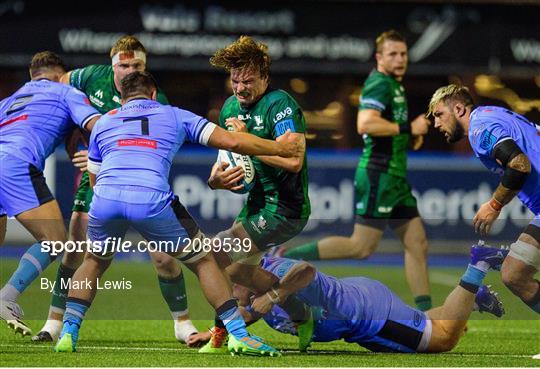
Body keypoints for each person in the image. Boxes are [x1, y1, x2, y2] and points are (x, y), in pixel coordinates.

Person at [53, 70, 301, 355]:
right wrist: (280, 148)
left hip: (105, 199)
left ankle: (68, 333)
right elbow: (232, 142)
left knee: (94, 260)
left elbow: (95, 181)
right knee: (204, 260)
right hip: (151, 200)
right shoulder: (173, 114)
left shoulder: (105, 121)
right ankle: (238, 334)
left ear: (121, 98)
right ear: (154, 94)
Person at [33, 35, 198, 344]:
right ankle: (53, 321)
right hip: (99, 177)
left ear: (145, 67)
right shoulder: (89, 76)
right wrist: (73, 139)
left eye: (137, 64)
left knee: (163, 258)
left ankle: (183, 322)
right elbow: (62, 87)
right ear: (112, 66)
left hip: (142, 181)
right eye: (124, 64)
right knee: (74, 247)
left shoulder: (155, 99)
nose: (130, 69)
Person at [281, 30, 433, 311]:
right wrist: (408, 128)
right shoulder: (379, 85)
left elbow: (382, 128)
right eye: (393, 54)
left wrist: (407, 135)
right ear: (379, 58)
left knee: (417, 243)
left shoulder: (394, 85)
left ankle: (426, 316)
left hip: (395, 178)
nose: (400, 59)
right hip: (380, 175)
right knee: (361, 247)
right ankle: (286, 254)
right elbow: (365, 124)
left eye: (403, 54)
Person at [197, 35, 312, 353]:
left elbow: (293, 160)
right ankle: (302, 315)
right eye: (235, 81)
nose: (240, 88)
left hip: (286, 208)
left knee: (215, 256)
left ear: (264, 77)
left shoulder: (280, 105)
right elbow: (225, 164)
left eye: (248, 81)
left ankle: (225, 336)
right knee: (232, 272)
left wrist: (248, 142)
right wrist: (215, 182)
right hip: (257, 205)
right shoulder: (230, 108)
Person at [190, 243, 507, 353]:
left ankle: (478, 265)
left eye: (232, 286)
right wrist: (213, 332)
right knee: (425, 323)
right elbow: (246, 313)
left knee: (444, 339)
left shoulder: (274, 275)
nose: (231, 295)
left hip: (369, 315)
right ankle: (473, 299)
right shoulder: (255, 296)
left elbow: (306, 271)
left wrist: (274, 294)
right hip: (359, 303)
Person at [0, 51, 101, 336]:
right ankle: (6, 297)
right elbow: (95, 124)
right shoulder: (65, 91)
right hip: (16, 163)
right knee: (56, 241)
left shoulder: (9, 100)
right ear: (60, 74)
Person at [428, 84, 540, 314]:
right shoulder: (492, 114)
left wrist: (494, 205)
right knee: (514, 273)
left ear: (459, 109)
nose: (436, 124)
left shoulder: (479, 128)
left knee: (515, 273)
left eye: (439, 115)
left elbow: (519, 165)